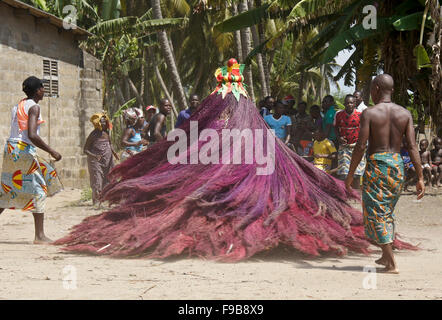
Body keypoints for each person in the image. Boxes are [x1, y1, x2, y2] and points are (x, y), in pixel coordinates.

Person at [56, 60, 414, 261]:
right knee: (380, 208)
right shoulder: (401, 114)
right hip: (392, 166)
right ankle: (386, 249)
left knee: (373, 207)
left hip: (379, 164)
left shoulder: (240, 124)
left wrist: (351, 173)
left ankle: (386, 252)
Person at [345, 74, 424, 274]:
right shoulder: (405, 113)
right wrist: (421, 177)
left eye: (371, 88)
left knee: (376, 213)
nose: (370, 93)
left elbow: (361, 145)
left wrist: (350, 174)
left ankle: (391, 262)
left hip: (378, 166)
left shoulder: (370, 113)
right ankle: (384, 255)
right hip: (397, 167)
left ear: (377, 89)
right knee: (386, 212)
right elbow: (413, 147)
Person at [0, 76, 62, 244]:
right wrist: (52, 151)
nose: (44, 90)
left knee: (7, 188)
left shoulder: (18, 105)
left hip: (11, 148)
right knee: (39, 189)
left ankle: (40, 235)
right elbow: (32, 135)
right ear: (37, 90)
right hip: (23, 150)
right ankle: (40, 236)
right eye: (42, 88)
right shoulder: (34, 107)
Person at [84, 113, 119, 206]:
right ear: (98, 123)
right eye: (102, 122)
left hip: (107, 160)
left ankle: (105, 199)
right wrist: (95, 156)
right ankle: (96, 201)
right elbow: (85, 150)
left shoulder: (106, 133)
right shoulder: (93, 135)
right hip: (95, 162)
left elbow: (110, 143)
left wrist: (114, 153)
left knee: (108, 179)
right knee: (97, 180)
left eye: (105, 122)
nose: (104, 124)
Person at [334, 94, 365, 189]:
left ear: (355, 103)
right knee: (343, 173)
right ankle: (345, 193)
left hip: (357, 147)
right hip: (344, 147)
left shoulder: (360, 115)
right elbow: (335, 127)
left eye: (351, 103)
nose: (349, 105)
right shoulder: (339, 114)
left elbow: (364, 129)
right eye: (347, 103)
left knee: (357, 173)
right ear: (344, 104)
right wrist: (339, 138)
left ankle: (356, 194)